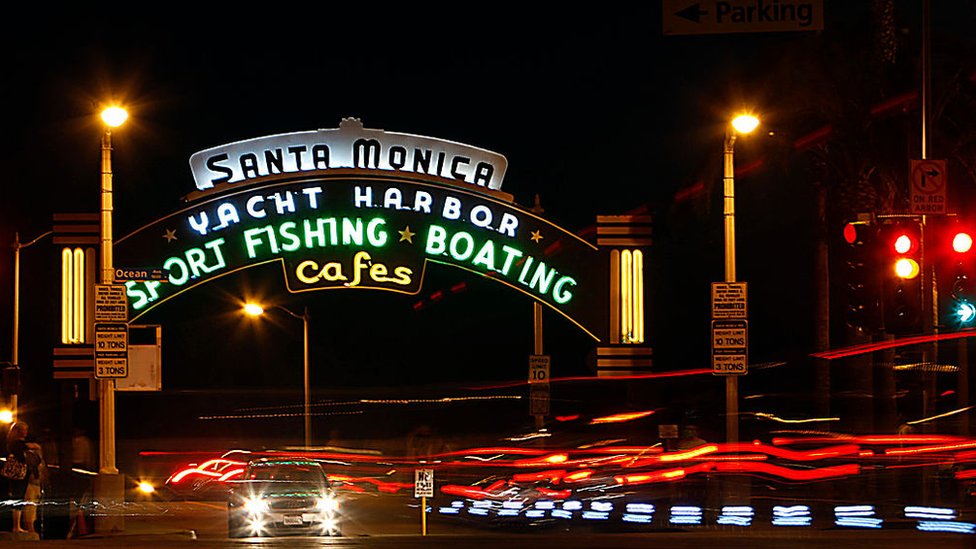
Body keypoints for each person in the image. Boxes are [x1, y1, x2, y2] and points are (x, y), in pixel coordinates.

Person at [5, 422, 30, 534]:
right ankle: (16, 526)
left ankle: (17, 525)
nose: (26, 432)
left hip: (15, 474)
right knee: (18, 496)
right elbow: (21, 457)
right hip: (18, 474)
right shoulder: (18, 443)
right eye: (24, 430)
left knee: (17, 496)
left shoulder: (11, 442)